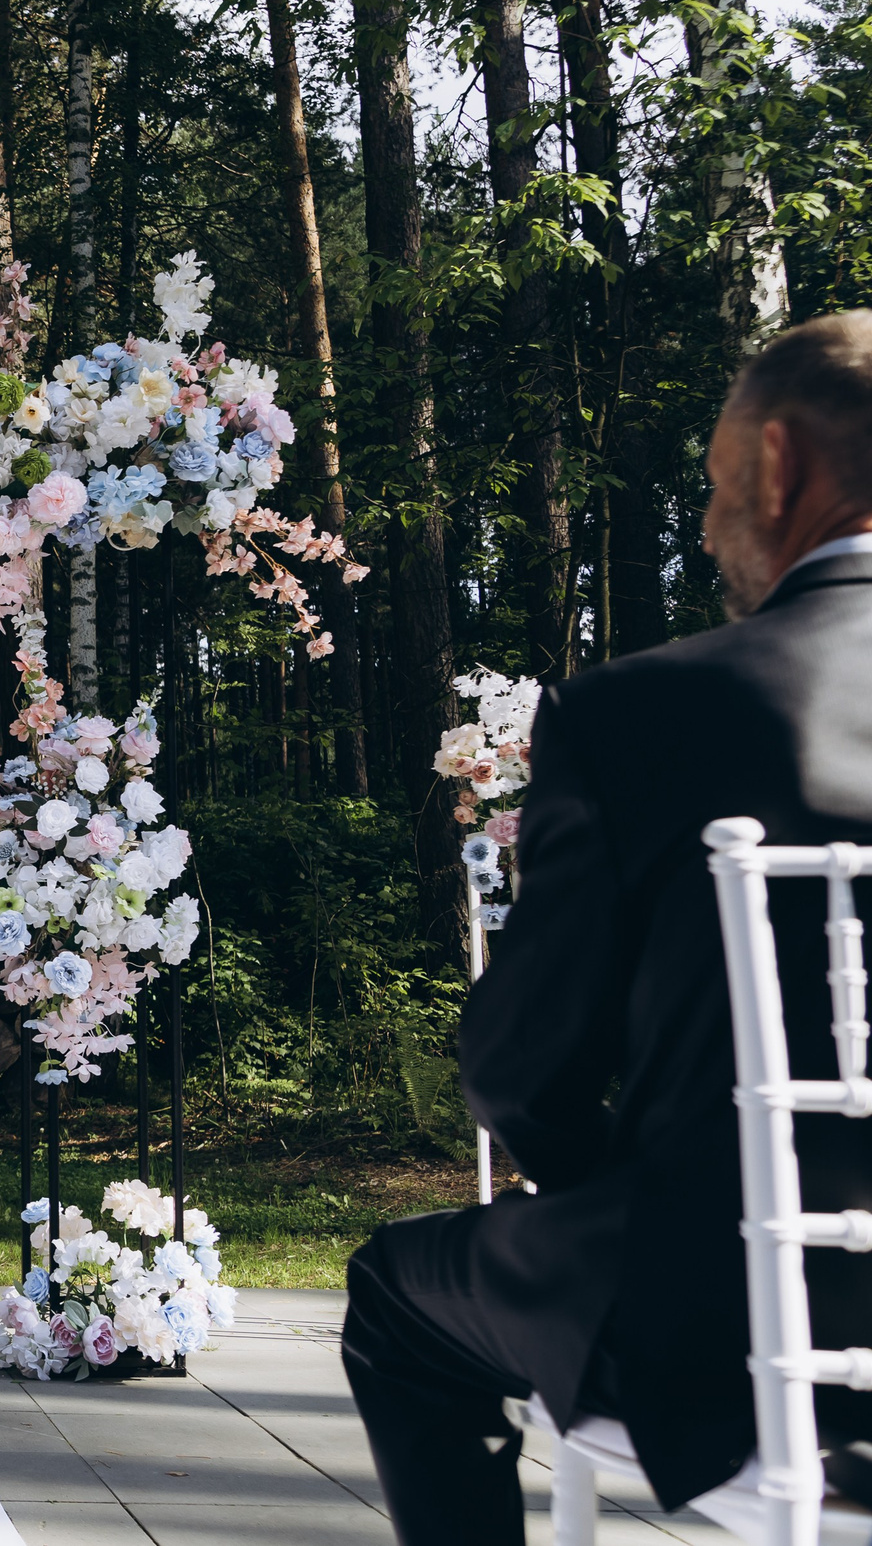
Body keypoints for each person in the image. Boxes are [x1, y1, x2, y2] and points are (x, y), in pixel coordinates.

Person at [343, 310, 872, 1542]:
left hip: (727, 1337)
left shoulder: (651, 714)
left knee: (394, 1296)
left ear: (779, 465)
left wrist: (622, 1194)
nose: (706, 528)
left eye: (713, 484)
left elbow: (518, 1069)